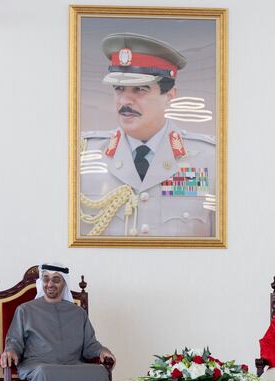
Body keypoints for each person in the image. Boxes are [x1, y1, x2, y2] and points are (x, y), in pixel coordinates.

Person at [79, 32, 217, 237]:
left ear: (169, 95)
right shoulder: (83, 155)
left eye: (139, 89)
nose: (125, 100)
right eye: (119, 89)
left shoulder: (209, 159)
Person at [0, 263, 116, 381]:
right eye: (46, 279)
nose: (50, 284)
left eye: (56, 279)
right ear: (41, 282)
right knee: (44, 372)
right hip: (37, 363)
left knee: (98, 372)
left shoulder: (78, 313)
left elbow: (90, 345)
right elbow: (14, 340)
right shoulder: (25, 310)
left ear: (64, 283)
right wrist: (10, 350)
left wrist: (102, 350)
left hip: (72, 363)